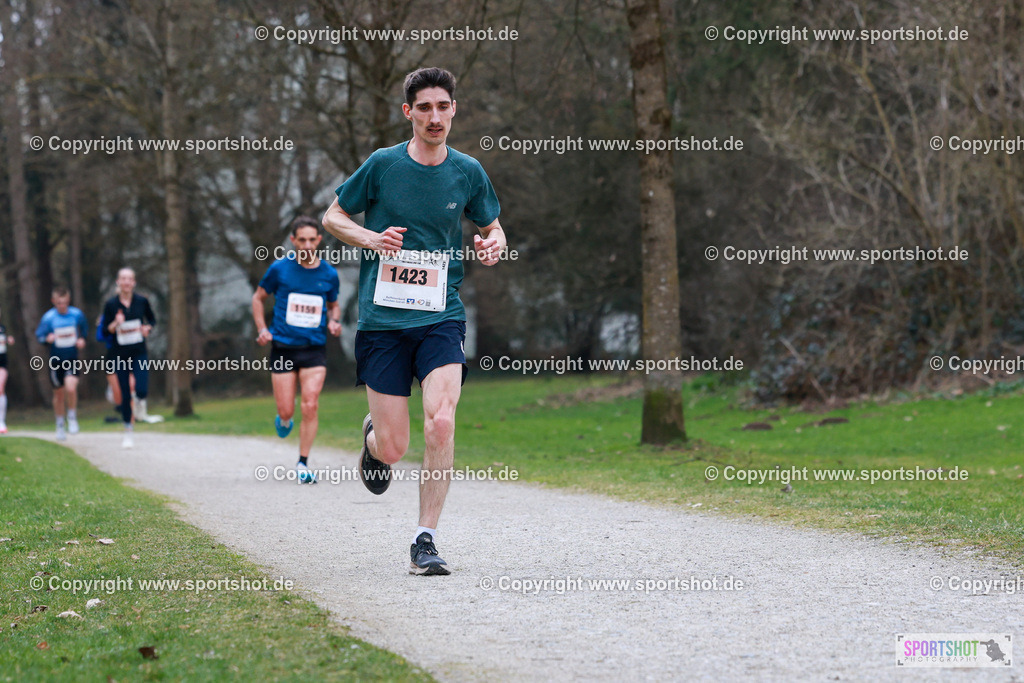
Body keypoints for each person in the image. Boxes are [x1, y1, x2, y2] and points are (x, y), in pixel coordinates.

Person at [322, 67, 506, 575]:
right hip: (383, 322)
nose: (434, 116)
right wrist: (369, 239)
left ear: (454, 111)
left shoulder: (468, 171)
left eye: (442, 107)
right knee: (396, 445)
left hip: (440, 316)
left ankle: (425, 540)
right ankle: (372, 443)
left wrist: (494, 246)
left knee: (442, 421)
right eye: (423, 107)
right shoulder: (382, 165)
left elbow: (494, 228)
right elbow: (332, 217)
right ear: (409, 113)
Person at [252, 216, 341, 484]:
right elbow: (258, 298)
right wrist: (261, 329)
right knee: (287, 411)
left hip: (314, 350)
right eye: (301, 239)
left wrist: (334, 320)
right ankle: (284, 418)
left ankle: (302, 463)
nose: (306, 245)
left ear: (318, 240)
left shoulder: (329, 274)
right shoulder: (280, 269)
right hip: (283, 348)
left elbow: (334, 304)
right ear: (293, 241)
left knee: (311, 404)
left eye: (311, 239)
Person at [100, 268, 156, 448]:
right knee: (125, 394)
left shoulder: (142, 301)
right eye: (123, 279)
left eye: (129, 279)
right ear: (118, 282)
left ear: (134, 282)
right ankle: (128, 432)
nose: (126, 282)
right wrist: (116, 323)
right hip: (120, 354)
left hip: (139, 351)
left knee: (141, 390)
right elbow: (103, 331)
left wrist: (148, 328)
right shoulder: (110, 304)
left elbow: (152, 320)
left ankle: (139, 403)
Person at [35, 286, 89, 441]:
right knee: (58, 394)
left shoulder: (77, 315)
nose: (62, 306)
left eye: (64, 302)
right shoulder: (48, 318)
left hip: (72, 358)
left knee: (71, 388)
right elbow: (39, 335)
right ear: (53, 302)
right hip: (55, 360)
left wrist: (81, 340)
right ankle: (60, 423)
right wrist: (46, 339)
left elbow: (84, 331)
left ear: (68, 301)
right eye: (58, 303)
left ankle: (72, 416)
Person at [0, 307, 14, 434]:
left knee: (0, 389)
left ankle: (1, 421)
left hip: (2, 364)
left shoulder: (3, 328)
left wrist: (9, 340)